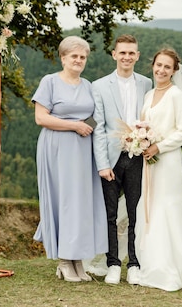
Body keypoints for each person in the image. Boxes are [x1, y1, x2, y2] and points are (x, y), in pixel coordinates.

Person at [134, 48, 182, 292]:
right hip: (149, 161)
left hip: (168, 161)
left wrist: (159, 146)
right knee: (150, 206)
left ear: (174, 71)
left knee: (168, 207)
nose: (161, 70)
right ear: (153, 65)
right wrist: (138, 141)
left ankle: (175, 267)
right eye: (158, 65)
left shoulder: (176, 95)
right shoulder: (148, 95)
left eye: (167, 67)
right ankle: (152, 262)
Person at [32, 35, 108, 282]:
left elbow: (97, 119)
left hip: (83, 151)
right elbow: (41, 118)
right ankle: (64, 260)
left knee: (81, 204)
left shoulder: (88, 86)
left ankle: (78, 261)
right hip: (56, 148)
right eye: (74, 56)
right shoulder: (50, 82)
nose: (78, 60)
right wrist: (74, 126)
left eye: (82, 57)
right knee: (63, 200)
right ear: (63, 58)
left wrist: (85, 127)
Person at [92, 34, 152, 285]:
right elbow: (98, 127)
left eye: (132, 53)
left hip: (139, 157)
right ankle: (113, 262)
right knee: (109, 213)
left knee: (136, 211)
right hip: (112, 158)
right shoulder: (99, 85)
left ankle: (135, 263)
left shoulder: (147, 84)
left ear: (137, 56)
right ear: (114, 55)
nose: (127, 57)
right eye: (122, 53)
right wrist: (103, 164)